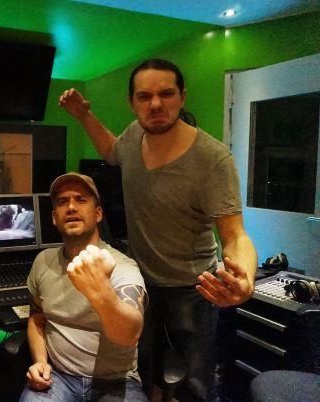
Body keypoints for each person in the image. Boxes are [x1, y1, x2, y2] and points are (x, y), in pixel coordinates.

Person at [59, 58, 258, 401]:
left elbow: (235, 235)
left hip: (193, 287)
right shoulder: (134, 135)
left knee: (195, 384)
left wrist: (246, 277)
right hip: (139, 280)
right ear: (132, 102)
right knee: (141, 371)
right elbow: (112, 152)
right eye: (144, 96)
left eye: (166, 94)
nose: (155, 104)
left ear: (182, 97)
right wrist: (83, 115)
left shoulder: (213, 159)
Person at [20, 172, 148, 402]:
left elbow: (129, 335)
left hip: (116, 382)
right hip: (59, 378)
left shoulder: (121, 266)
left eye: (81, 199)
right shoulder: (43, 261)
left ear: (98, 213)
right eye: (62, 201)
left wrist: (99, 290)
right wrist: (40, 361)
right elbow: (37, 319)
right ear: (54, 217)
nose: (71, 207)